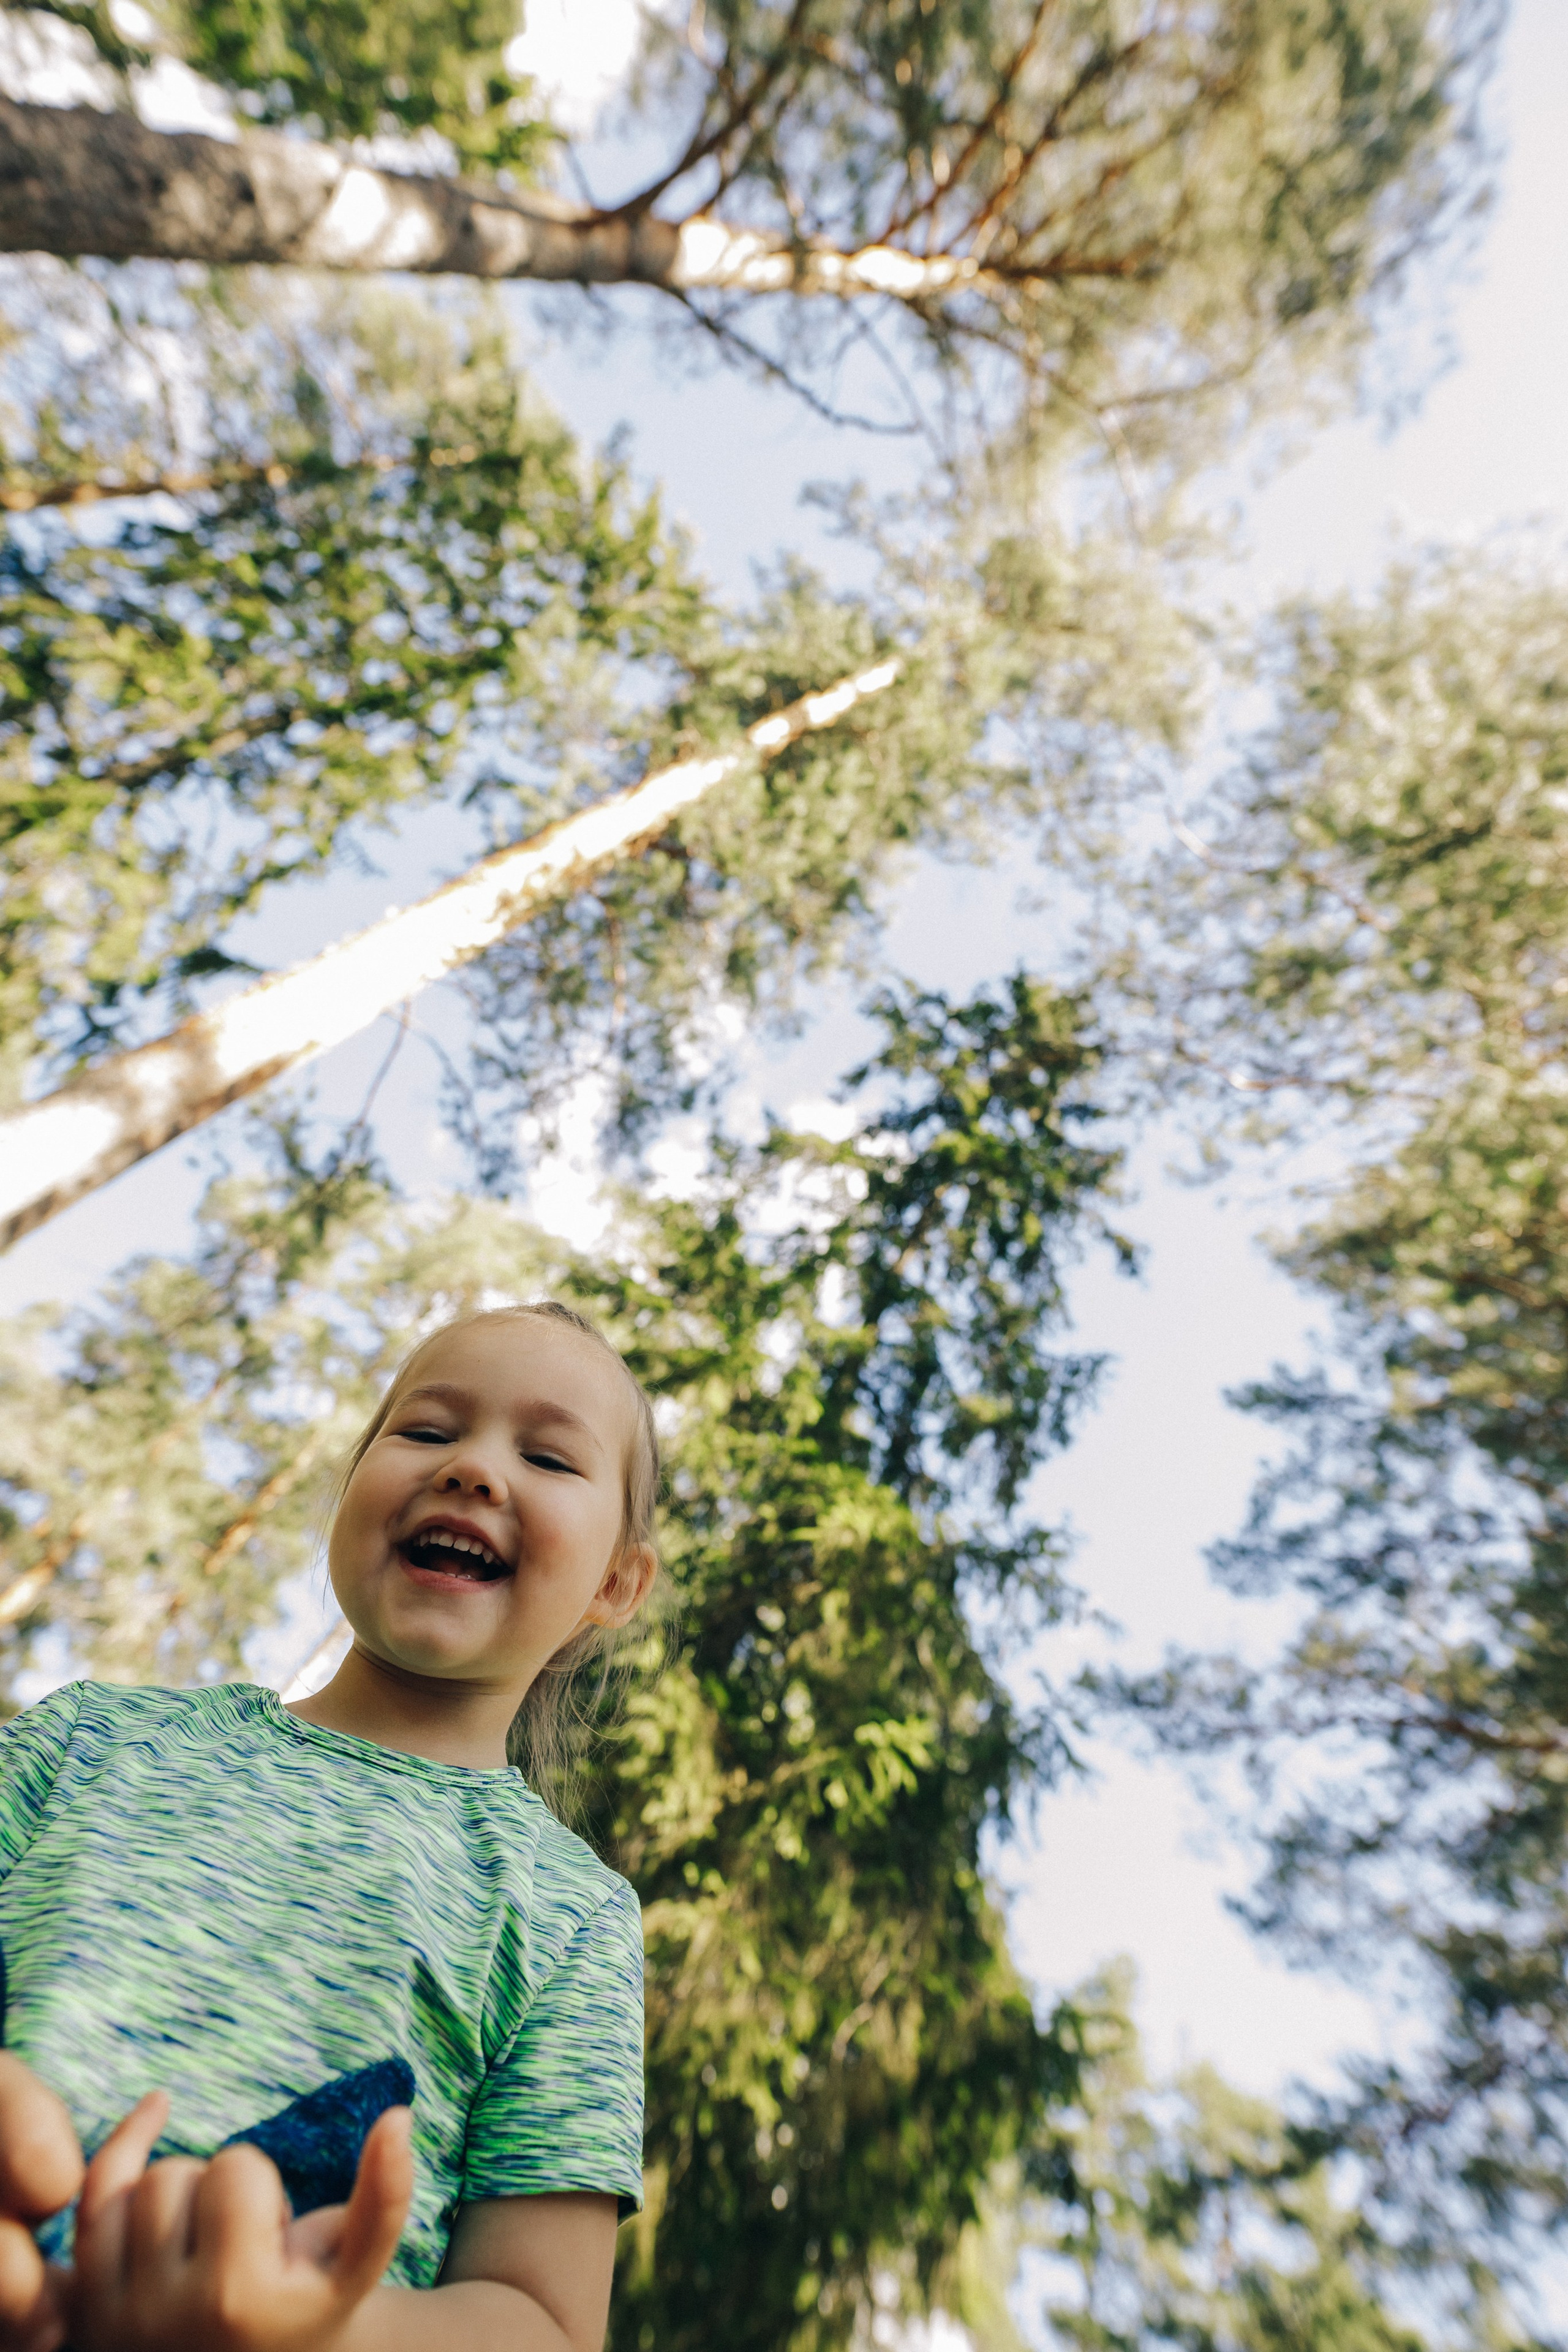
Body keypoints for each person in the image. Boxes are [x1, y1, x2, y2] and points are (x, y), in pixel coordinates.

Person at [0, 1300, 662, 2352]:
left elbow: (543, 2318)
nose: (474, 1470)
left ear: (616, 1583)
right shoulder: (94, 1737)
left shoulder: (574, 1919)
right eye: (428, 1432)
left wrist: (307, 2326)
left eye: (546, 1455)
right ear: (353, 1487)